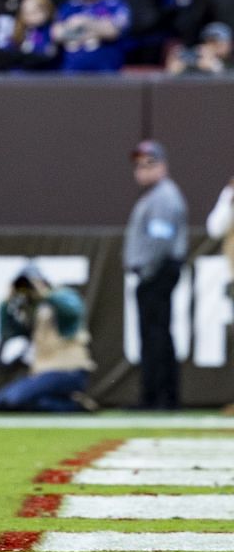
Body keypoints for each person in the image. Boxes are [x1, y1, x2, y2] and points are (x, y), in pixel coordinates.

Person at [125, 139, 189, 411]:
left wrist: (147, 271)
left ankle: (159, 398)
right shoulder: (155, 196)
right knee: (155, 335)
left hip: (158, 273)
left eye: (148, 164)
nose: (141, 170)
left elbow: (160, 242)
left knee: (156, 336)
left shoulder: (163, 197)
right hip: (155, 272)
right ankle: (157, 396)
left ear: (162, 166)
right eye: (138, 165)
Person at [0, 265, 98, 413]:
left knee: (11, 400)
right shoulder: (32, 309)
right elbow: (7, 333)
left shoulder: (62, 296)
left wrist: (44, 294)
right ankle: (72, 405)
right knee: (4, 401)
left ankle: (73, 406)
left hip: (68, 370)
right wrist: (6, 303)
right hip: (43, 372)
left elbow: (73, 311)